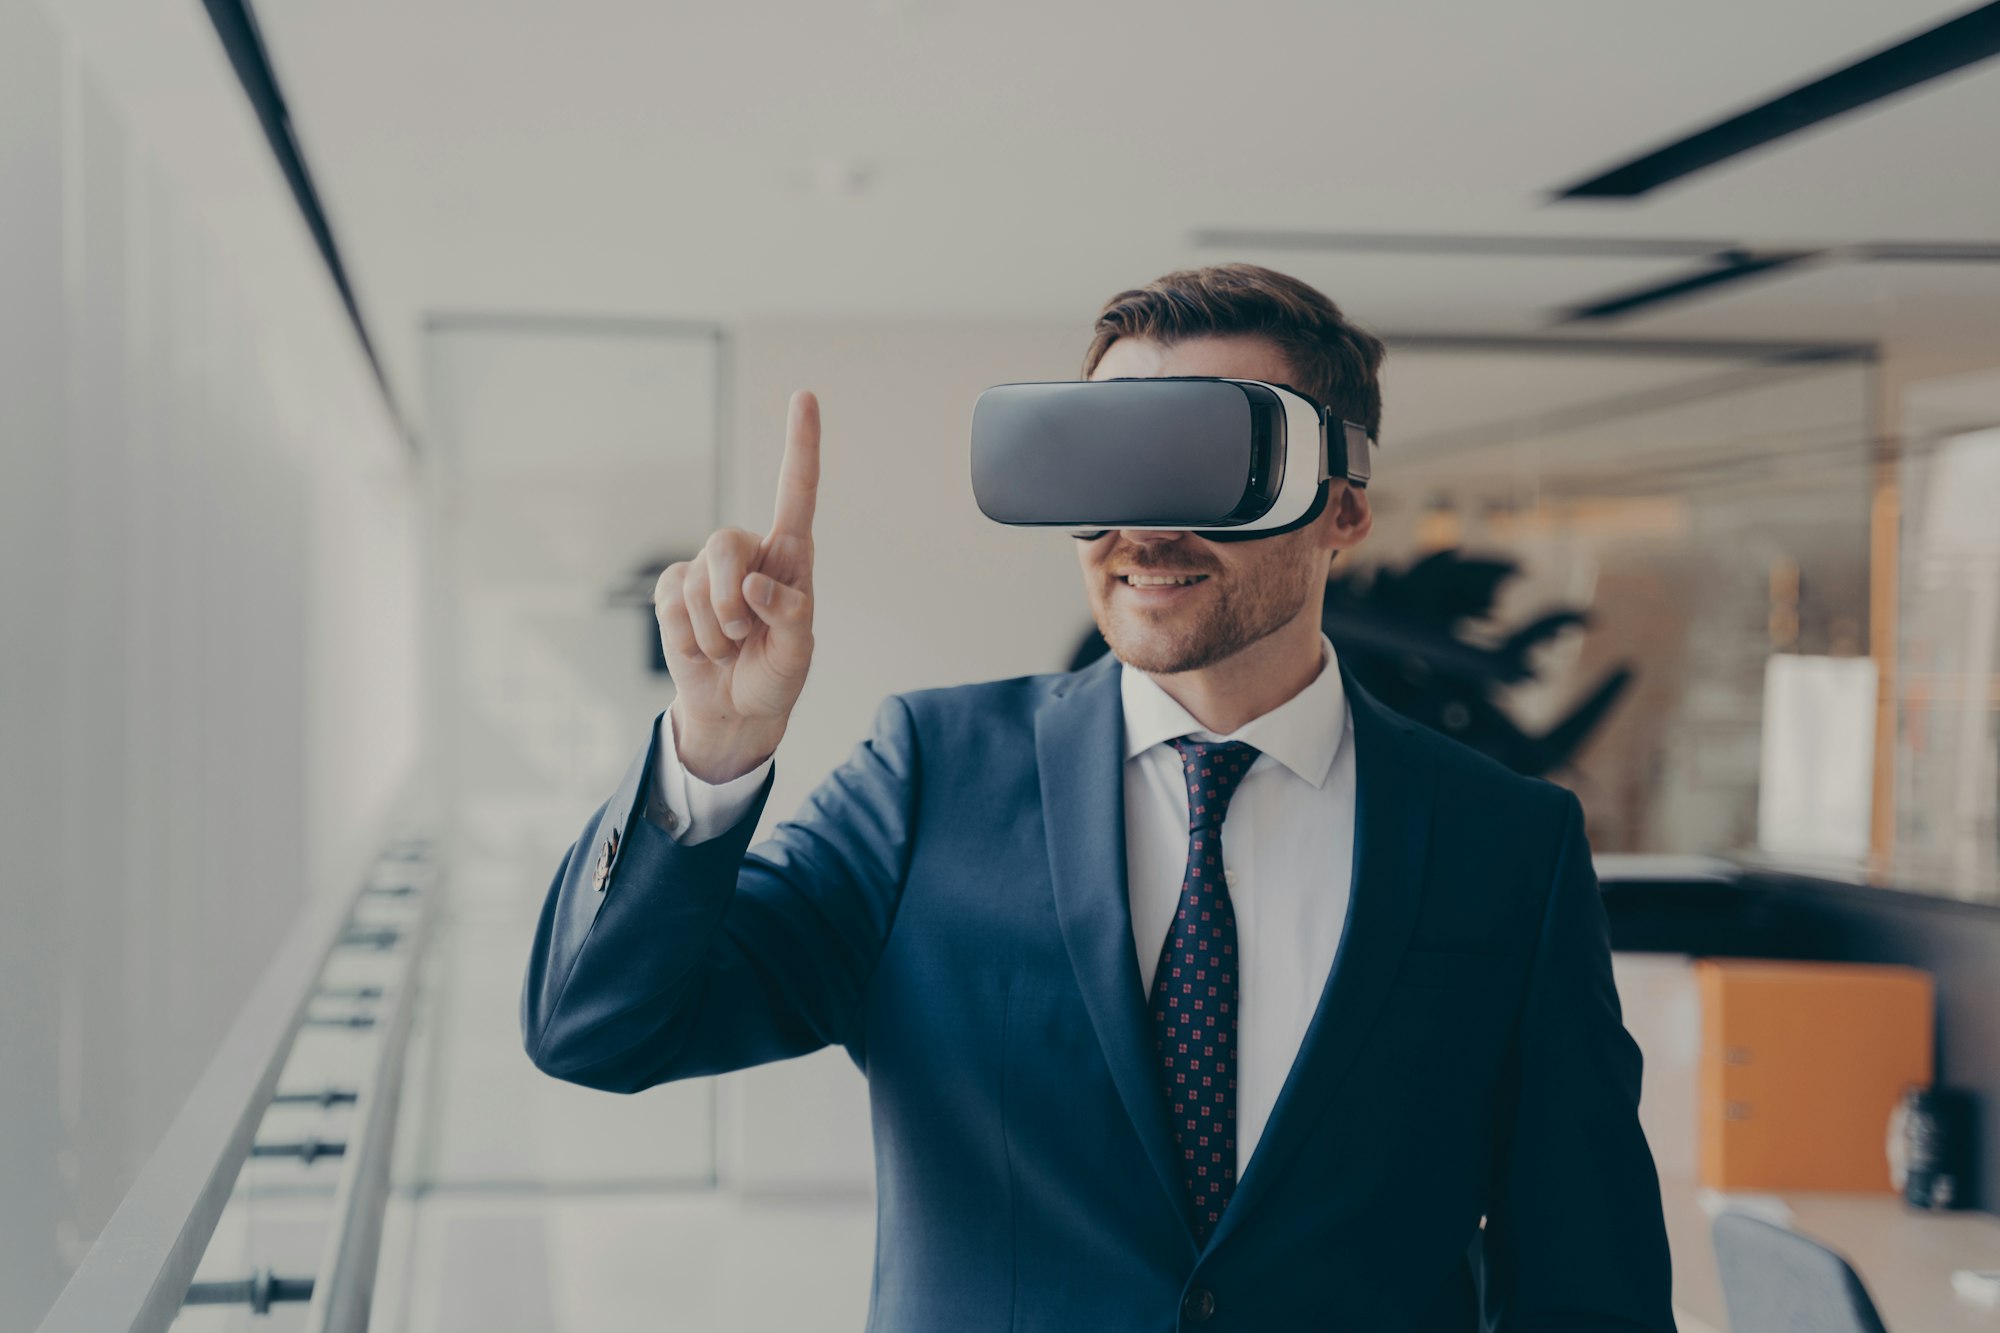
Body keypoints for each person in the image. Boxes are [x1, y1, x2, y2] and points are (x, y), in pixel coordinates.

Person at [522, 264, 1674, 1331]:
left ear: (1343, 507)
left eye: (1212, 466)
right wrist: (710, 751)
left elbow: (1588, 1273)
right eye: (1104, 464)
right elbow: (600, 1029)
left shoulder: (1503, 844)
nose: (1145, 526)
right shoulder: (933, 774)